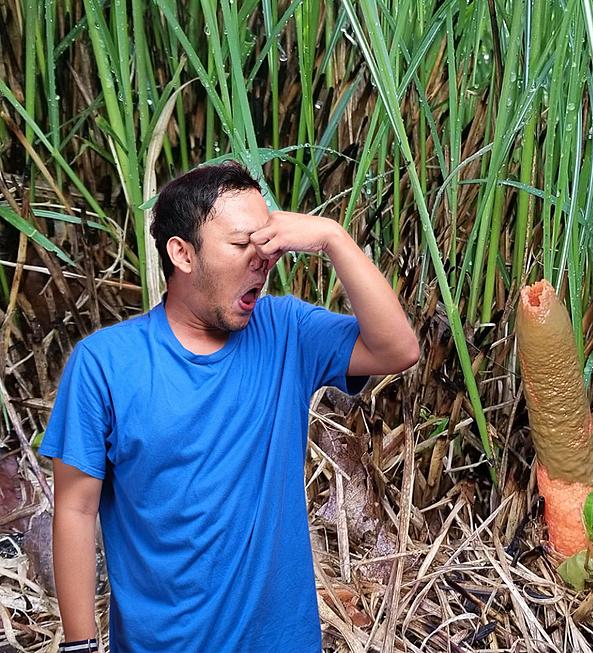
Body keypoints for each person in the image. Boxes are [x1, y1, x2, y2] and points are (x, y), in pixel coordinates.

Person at [38, 162, 420, 653]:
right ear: (183, 254)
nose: (264, 258)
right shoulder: (105, 364)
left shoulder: (287, 332)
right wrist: (78, 646)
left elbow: (398, 350)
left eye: (268, 243)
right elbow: (74, 507)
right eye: (243, 244)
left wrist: (333, 237)